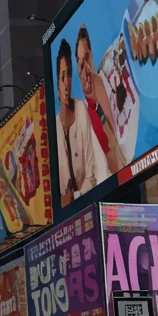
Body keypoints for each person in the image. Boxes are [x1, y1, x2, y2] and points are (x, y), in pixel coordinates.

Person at [55, 37, 108, 206]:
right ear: (57, 82)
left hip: (92, 202)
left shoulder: (81, 109)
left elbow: (92, 173)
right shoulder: (54, 127)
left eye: (69, 75)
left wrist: (73, 198)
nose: (67, 83)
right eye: (62, 76)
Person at [75, 24, 125, 175]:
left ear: (92, 58)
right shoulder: (81, 113)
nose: (85, 71)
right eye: (80, 63)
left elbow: (117, 150)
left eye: (87, 59)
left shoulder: (103, 85)